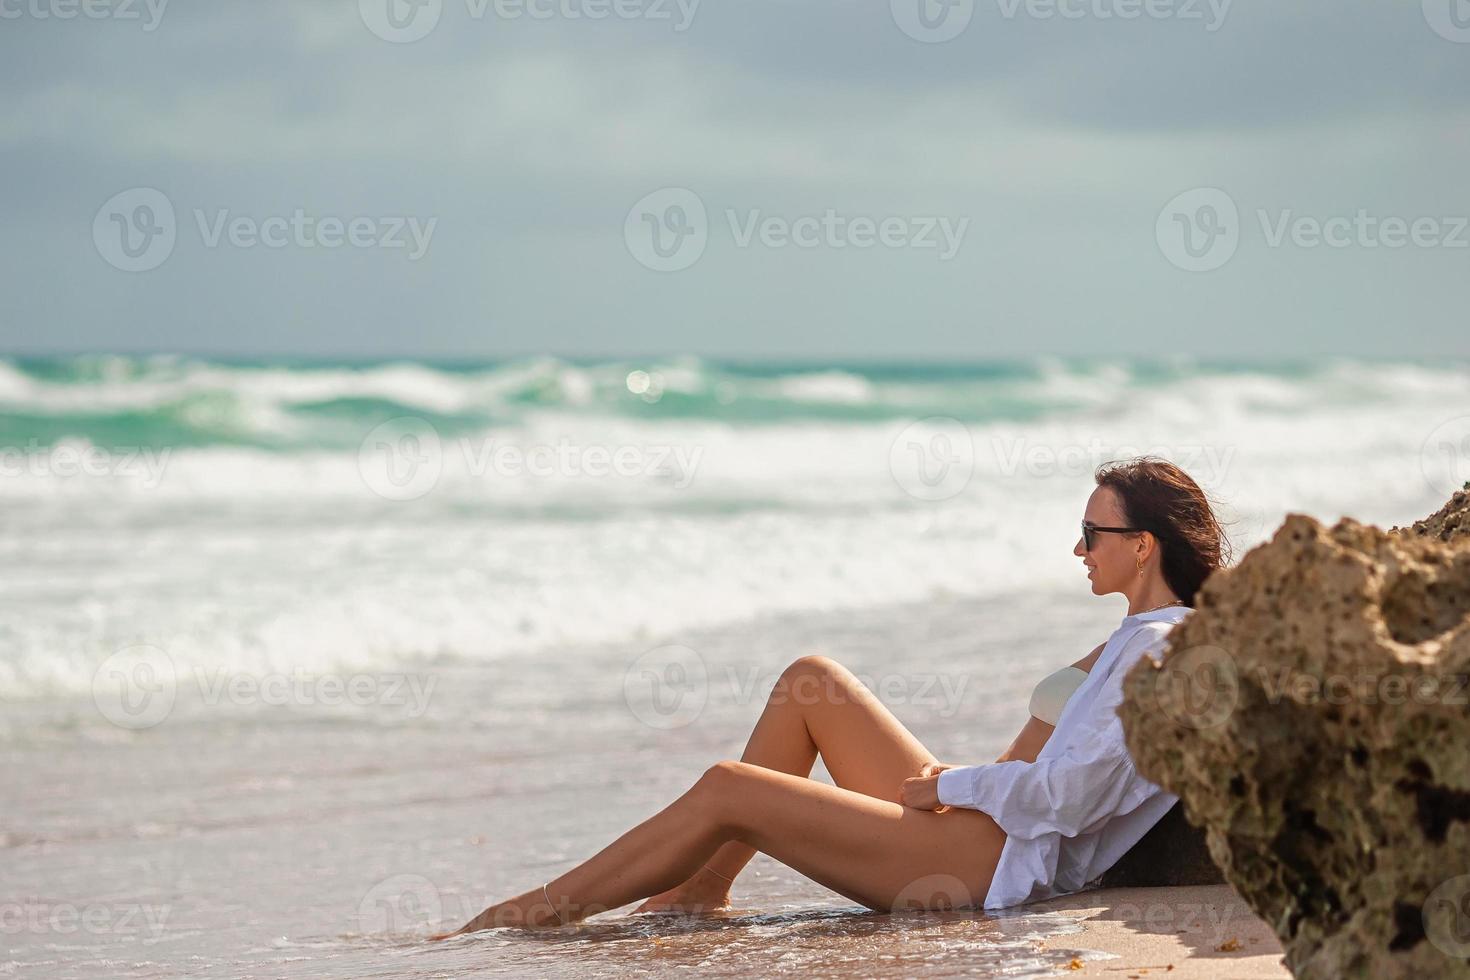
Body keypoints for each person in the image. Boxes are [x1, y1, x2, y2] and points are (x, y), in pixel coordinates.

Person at [439, 455, 1231, 933]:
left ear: (1141, 545)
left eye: (1092, 534)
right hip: (979, 823)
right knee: (808, 681)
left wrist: (951, 786)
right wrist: (960, 786)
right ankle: (700, 890)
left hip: (991, 866)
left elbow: (1073, 800)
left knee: (728, 787)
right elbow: (1047, 763)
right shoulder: (1137, 632)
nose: (1078, 548)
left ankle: (538, 911)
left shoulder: (1159, 651)